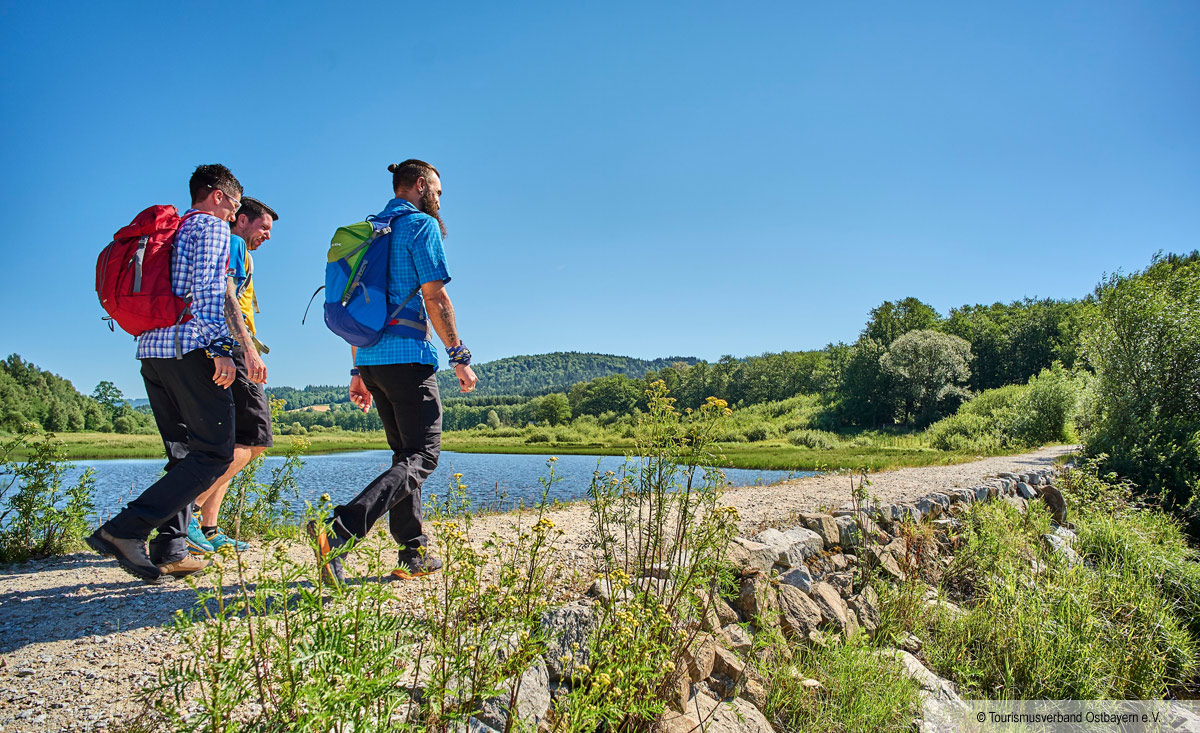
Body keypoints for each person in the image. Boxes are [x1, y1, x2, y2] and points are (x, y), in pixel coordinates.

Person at [309, 159, 478, 585]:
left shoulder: (369, 231)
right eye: (437, 191)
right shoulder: (420, 226)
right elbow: (435, 297)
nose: (439, 199)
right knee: (424, 456)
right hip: (408, 356)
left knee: (405, 456)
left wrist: (357, 370)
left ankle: (413, 550)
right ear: (420, 186)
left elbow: (357, 307)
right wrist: (459, 355)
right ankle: (340, 530)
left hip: (371, 359)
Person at [86, 164, 242, 583]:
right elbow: (209, 291)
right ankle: (124, 529)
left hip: (151, 352)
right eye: (235, 204)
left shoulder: (171, 232)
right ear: (217, 196)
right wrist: (222, 349)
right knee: (214, 452)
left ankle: (169, 546)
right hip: (189, 348)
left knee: (183, 453)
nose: (233, 214)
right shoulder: (209, 228)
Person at [185, 197, 279, 555]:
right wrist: (247, 348)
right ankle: (185, 512)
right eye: (263, 228)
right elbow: (229, 298)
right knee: (254, 442)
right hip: (233, 350)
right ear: (242, 220)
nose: (267, 237)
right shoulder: (235, 244)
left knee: (231, 442)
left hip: (213, 348)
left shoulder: (223, 246)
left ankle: (209, 527)